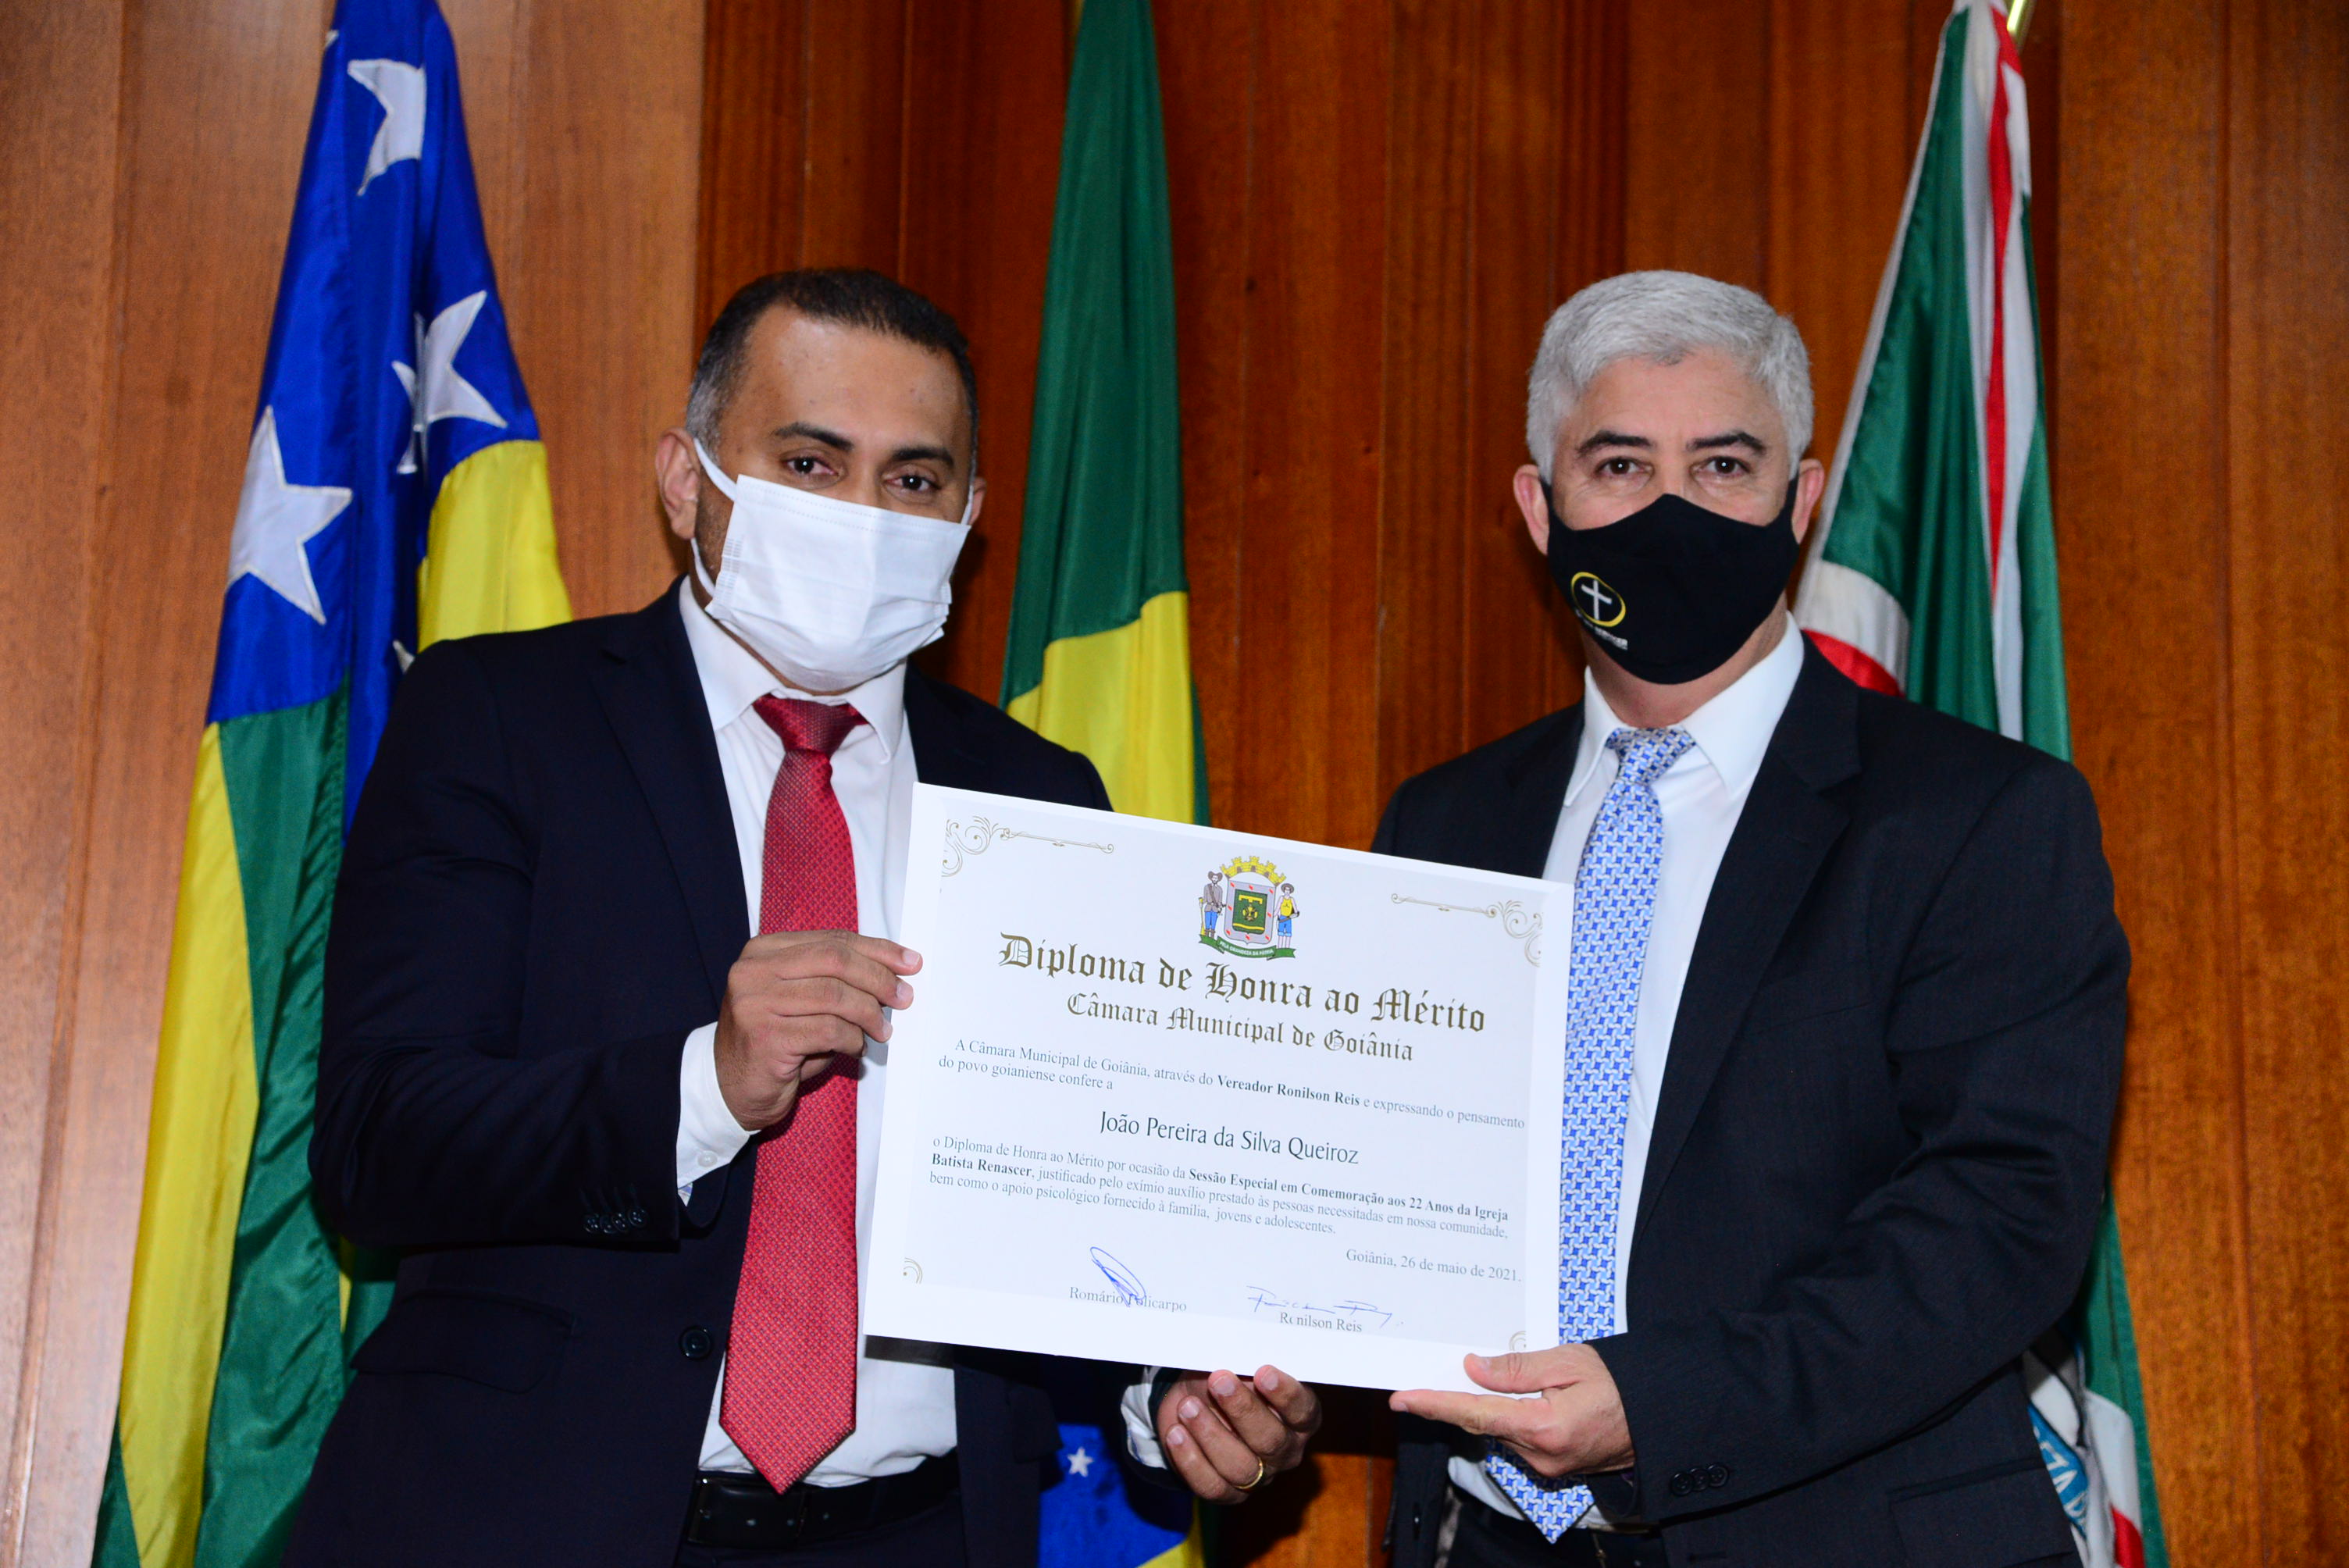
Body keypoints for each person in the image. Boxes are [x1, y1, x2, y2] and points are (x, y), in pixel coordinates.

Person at [293, 269, 1318, 1568]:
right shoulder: (501, 718)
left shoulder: (1041, 798)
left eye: (913, 479)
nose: (864, 517)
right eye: (810, 463)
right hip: (527, 1517)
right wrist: (705, 1086)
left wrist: (1168, 1390)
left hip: (919, 1537)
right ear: (688, 482)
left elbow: (1084, 1185)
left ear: (969, 518)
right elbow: (379, 1146)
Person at [1372, 272, 2126, 1567]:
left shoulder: (1981, 816)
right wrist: (1245, 1377)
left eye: (1723, 466)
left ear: (1804, 499)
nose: (1673, 510)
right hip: (1483, 1540)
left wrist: (1662, 1408)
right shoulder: (1444, 823)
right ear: (1541, 510)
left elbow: (2001, 1220)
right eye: (1621, 466)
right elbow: (1378, 1167)